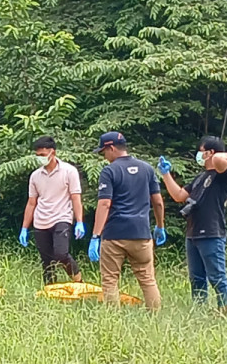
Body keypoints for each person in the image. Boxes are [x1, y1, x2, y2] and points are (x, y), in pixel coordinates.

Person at [87, 132, 165, 311]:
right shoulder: (147, 169)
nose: (104, 157)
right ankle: (155, 317)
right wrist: (160, 226)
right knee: (147, 279)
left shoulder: (110, 170)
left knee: (110, 279)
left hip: (115, 234)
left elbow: (105, 203)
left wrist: (95, 235)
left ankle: (113, 319)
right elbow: (158, 202)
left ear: (111, 148)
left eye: (103, 152)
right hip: (141, 233)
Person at [157, 135, 227, 314]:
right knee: (196, 278)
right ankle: (199, 312)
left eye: (201, 152)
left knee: (217, 276)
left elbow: (221, 161)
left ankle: (225, 312)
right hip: (193, 234)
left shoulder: (223, 175)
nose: (198, 155)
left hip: (211, 233)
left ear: (210, 153)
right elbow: (179, 196)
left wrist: (224, 155)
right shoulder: (200, 178)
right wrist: (166, 174)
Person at [19, 136, 85, 285]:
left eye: (42, 155)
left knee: (61, 254)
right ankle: (51, 290)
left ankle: (78, 282)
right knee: (47, 260)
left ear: (52, 153)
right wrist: (24, 227)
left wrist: (79, 221)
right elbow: (31, 203)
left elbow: (75, 197)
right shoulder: (35, 176)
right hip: (41, 220)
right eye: (37, 156)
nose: (40, 158)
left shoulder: (69, 171)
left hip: (62, 217)